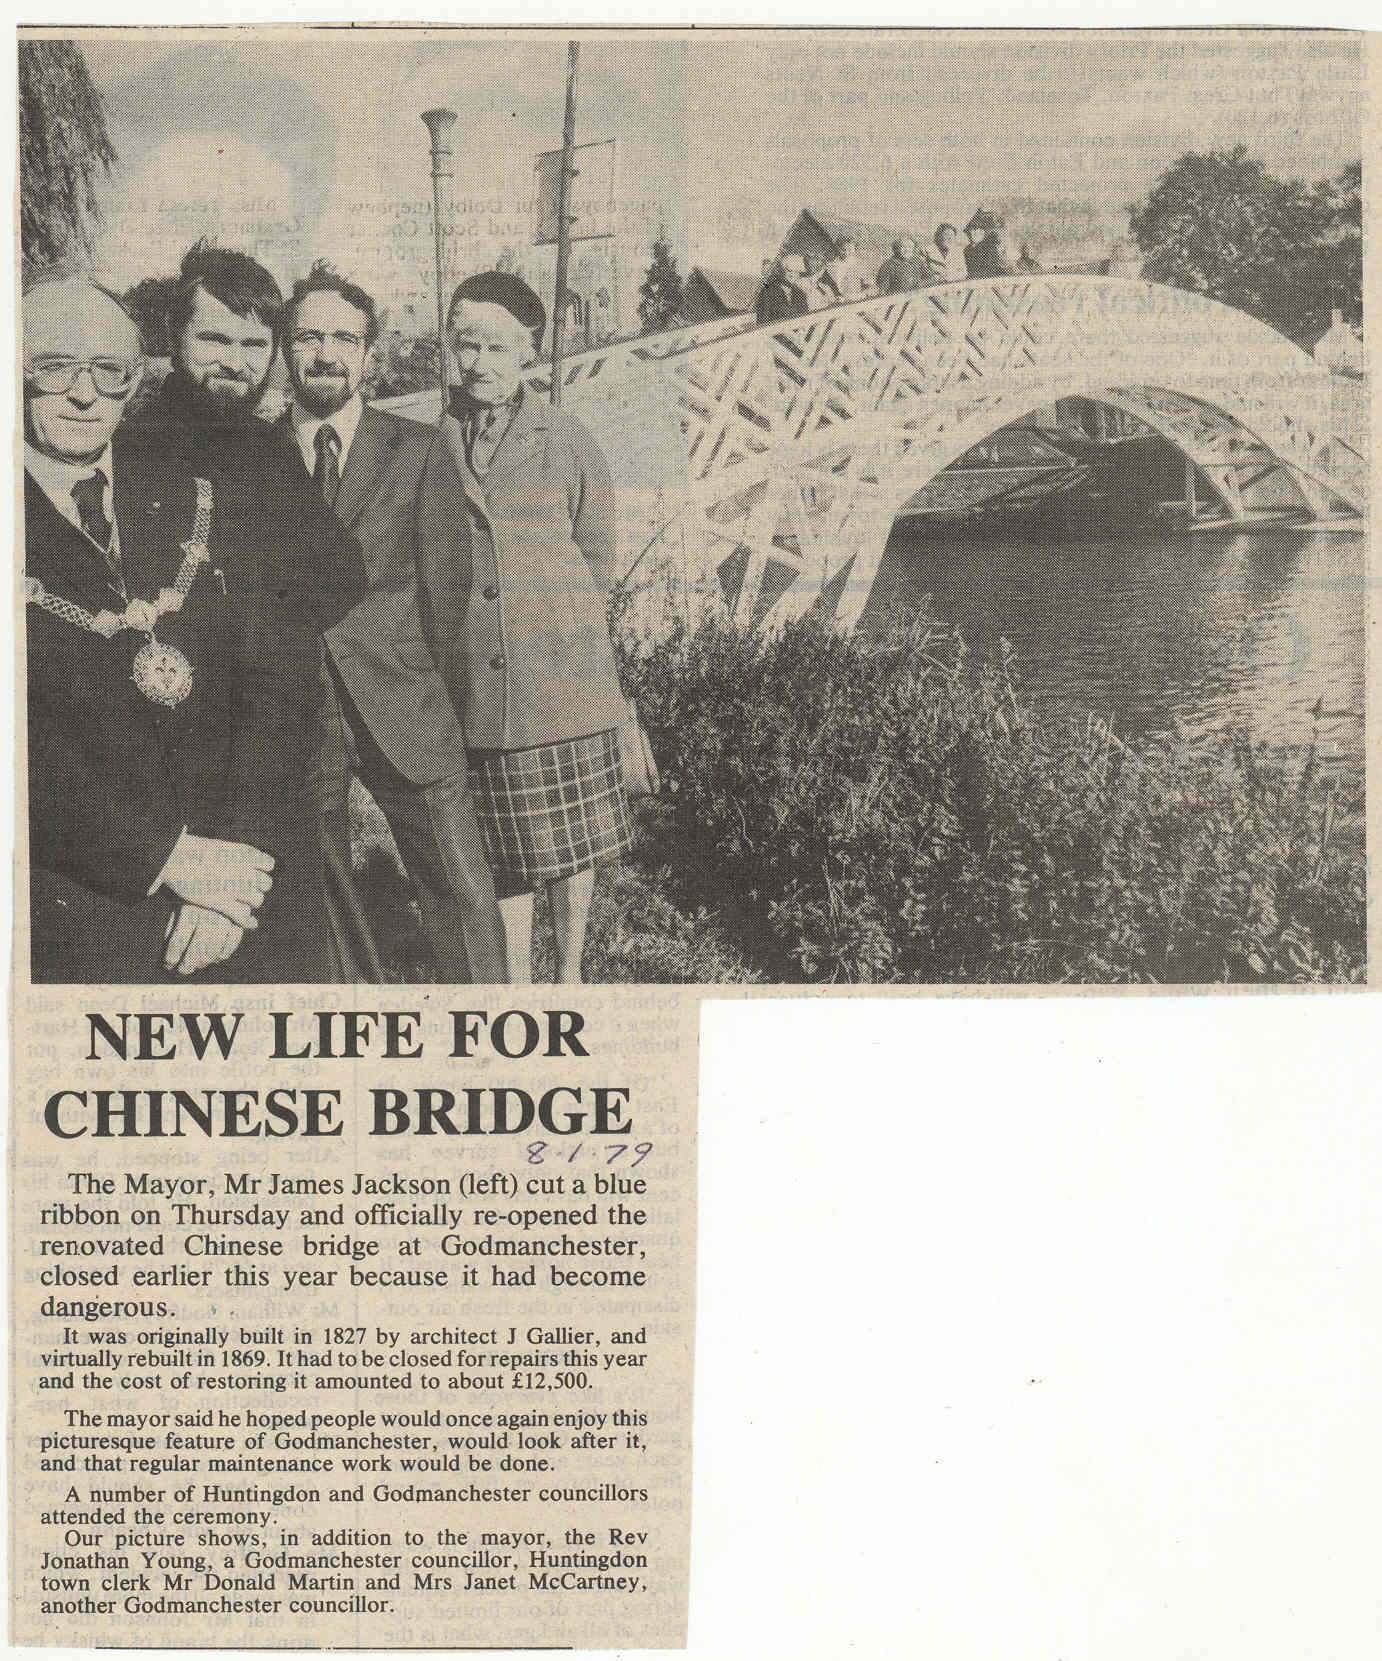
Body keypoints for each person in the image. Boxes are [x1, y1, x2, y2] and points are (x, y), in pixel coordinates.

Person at [25, 272, 304, 981]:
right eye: (53, 367)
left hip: (237, 897)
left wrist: (229, 877)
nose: (84, 394)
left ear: (135, 379)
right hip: (83, 910)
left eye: (109, 371)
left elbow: (273, 687)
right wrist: (169, 858)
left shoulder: (194, 492)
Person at [119, 241, 366, 981]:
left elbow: (341, 575)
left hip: (262, 783)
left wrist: (260, 612)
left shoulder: (266, 450)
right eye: (215, 339)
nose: (235, 362)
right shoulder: (129, 449)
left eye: (255, 345)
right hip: (162, 799)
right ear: (173, 339)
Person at [280, 261, 506, 984]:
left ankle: (494, 1040)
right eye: (309, 336)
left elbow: (449, 592)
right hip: (298, 711)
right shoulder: (251, 454)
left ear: (369, 356)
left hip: (404, 703)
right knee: (321, 898)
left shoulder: (417, 449)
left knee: (463, 891)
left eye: (344, 338)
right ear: (285, 348)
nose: (325, 353)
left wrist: (440, 696)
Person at [421, 271, 633, 983]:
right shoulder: (432, 441)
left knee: (573, 847)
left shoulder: (565, 438)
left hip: (562, 682)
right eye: (465, 345)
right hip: (478, 685)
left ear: (528, 354)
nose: (477, 363)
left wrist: (560, 630)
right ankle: (513, 981)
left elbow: (597, 551)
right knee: (503, 848)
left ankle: (569, 971)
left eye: (495, 348)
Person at [755, 257, 809, 326]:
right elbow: (762, 323)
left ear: (799, 275)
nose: (792, 274)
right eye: (789, 271)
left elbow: (805, 321)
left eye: (796, 272)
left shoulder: (800, 294)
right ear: (783, 271)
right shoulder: (768, 291)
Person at [820, 234, 869, 303]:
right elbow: (836, 294)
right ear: (838, 249)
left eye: (850, 250)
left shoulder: (857, 265)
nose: (846, 253)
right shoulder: (832, 268)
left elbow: (865, 285)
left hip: (859, 301)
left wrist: (866, 290)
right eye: (843, 249)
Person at [964, 210, 1014, 277]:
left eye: (977, 230)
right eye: (971, 230)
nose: (973, 234)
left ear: (983, 232)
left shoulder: (990, 248)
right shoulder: (967, 250)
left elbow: (995, 268)